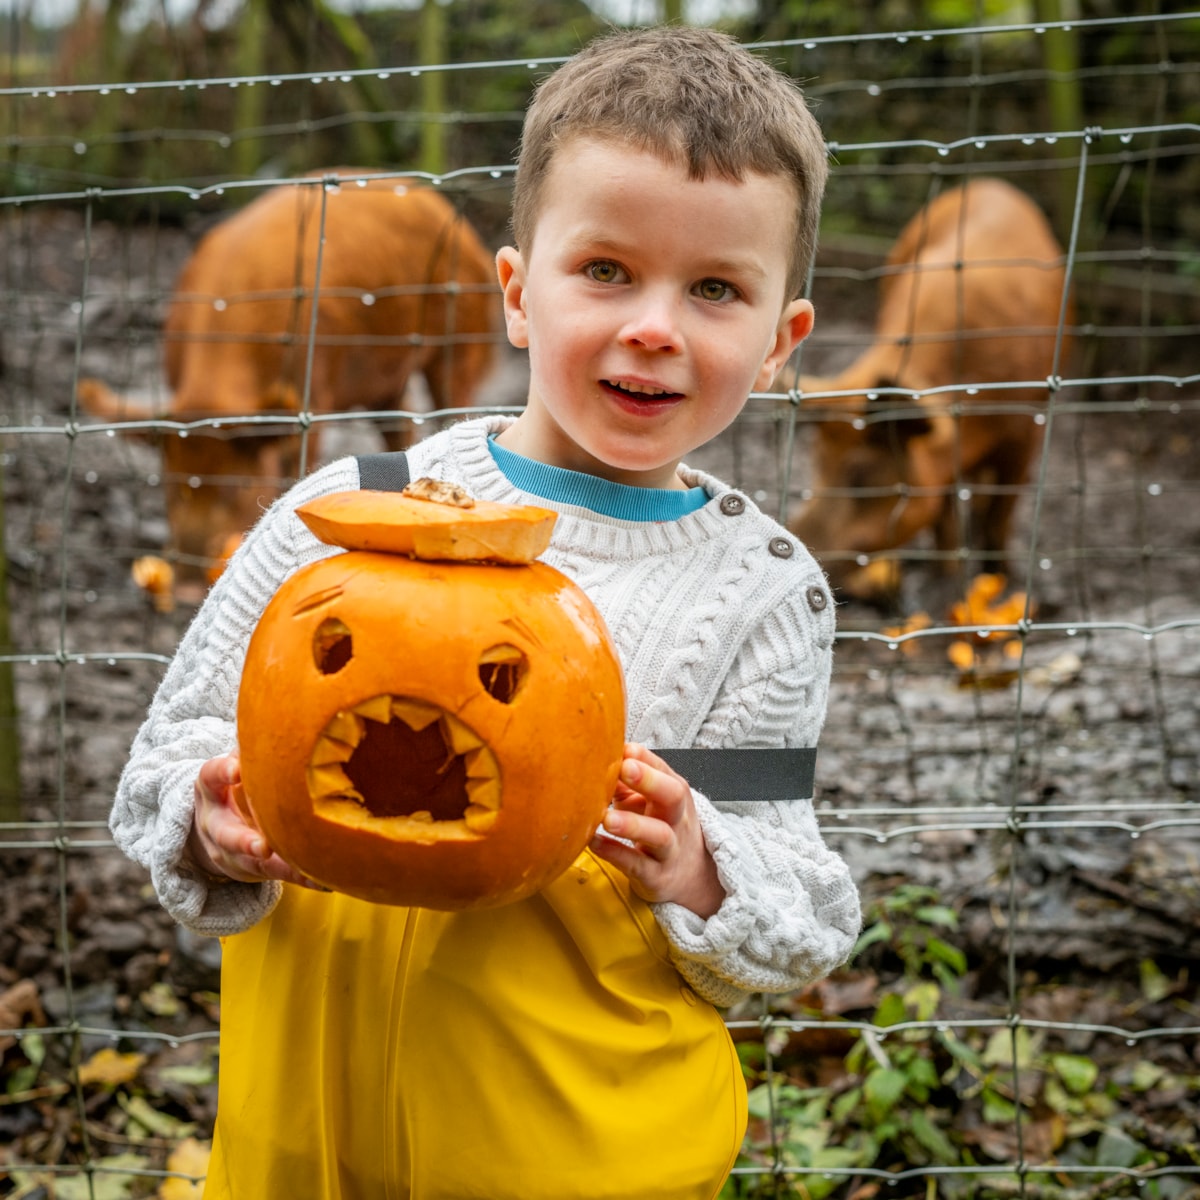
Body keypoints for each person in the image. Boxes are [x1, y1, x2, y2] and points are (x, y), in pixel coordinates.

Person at [110, 24, 861, 1200]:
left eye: (715, 289)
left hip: (569, 1149)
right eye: (605, 271)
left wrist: (699, 871)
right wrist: (208, 815)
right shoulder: (342, 513)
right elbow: (171, 754)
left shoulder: (761, 595)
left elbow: (797, 912)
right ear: (516, 293)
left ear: (780, 343)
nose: (654, 325)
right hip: (306, 1136)